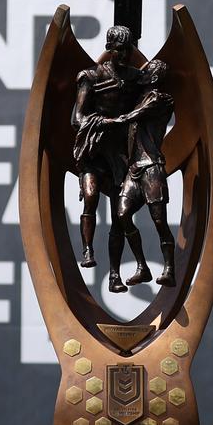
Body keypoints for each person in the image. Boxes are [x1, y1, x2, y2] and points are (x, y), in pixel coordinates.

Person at [71, 24, 147, 292]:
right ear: (110, 50)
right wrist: (105, 121)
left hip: (119, 155)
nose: (124, 55)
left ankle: (115, 275)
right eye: (119, 50)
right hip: (94, 149)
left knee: (120, 215)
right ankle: (88, 250)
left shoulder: (135, 78)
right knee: (90, 197)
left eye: (127, 50)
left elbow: (155, 88)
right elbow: (77, 118)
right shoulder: (90, 77)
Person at [112, 58, 176, 287]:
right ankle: (142, 267)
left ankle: (169, 268)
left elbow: (134, 116)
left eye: (146, 71)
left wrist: (108, 120)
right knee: (122, 215)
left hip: (152, 167)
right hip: (134, 169)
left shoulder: (160, 99)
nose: (143, 73)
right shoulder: (138, 97)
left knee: (159, 221)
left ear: (155, 76)